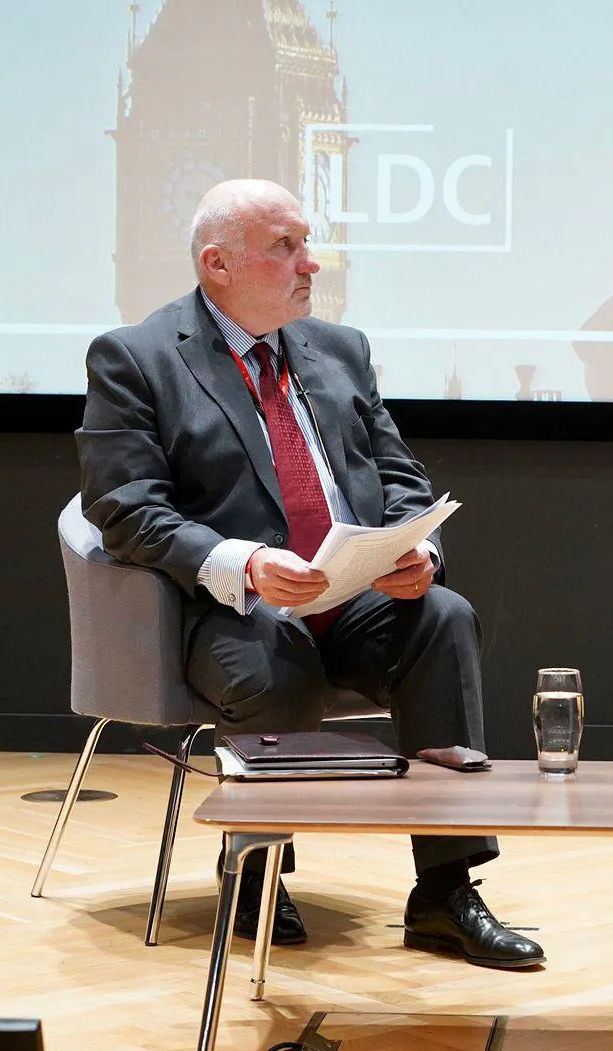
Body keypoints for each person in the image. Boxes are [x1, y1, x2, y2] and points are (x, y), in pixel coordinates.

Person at [76, 178, 544, 969]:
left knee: (444, 617)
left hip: (348, 597)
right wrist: (244, 563)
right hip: (230, 610)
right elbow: (122, 506)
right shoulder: (138, 358)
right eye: (285, 247)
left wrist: (416, 553)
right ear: (218, 264)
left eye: (307, 243)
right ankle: (258, 872)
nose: (311, 264)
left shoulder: (338, 350)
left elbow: (401, 476)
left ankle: (446, 890)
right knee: (274, 663)